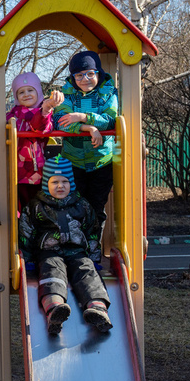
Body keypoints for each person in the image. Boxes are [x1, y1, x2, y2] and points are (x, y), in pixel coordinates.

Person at [21, 155, 110, 336]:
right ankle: (55, 308)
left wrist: (94, 256)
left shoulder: (82, 205)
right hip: (49, 251)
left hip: (77, 250)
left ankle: (98, 309)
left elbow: (92, 230)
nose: (60, 186)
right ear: (47, 184)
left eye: (65, 182)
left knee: (86, 270)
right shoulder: (37, 206)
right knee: (51, 271)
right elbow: (26, 231)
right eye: (55, 182)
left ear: (71, 184)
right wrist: (27, 257)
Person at [51, 50, 120, 242]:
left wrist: (82, 116)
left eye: (90, 73)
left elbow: (110, 120)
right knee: (73, 207)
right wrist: (88, 127)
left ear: (98, 73)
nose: (85, 79)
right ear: (73, 77)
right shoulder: (67, 95)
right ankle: (75, 248)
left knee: (96, 207)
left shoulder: (107, 93)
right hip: (73, 162)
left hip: (101, 161)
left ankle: (93, 249)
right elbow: (60, 121)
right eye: (79, 75)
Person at [7, 71, 61, 212]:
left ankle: (38, 232)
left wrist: (46, 109)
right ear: (16, 96)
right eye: (21, 92)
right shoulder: (13, 115)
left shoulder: (43, 112)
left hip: (36, 172)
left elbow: (41, 127)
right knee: (20, 207)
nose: (26, 94)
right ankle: (22, 232)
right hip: (15, 170)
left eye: (30, 90)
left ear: (38, 92)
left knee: (38, 208)